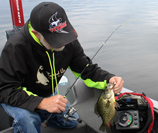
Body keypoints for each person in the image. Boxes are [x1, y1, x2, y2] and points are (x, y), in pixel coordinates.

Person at [0, 2, 124, 133]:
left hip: (47, 93)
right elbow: (5, 90)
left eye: (63, 36)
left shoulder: (68, 40)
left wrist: (110, 79)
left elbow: (86, 69)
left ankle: (41, 115)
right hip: (17, 97)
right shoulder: (16, 48)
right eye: (55, 40)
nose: (62, 43)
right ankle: (29, 120)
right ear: (36, 34)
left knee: (71, 122)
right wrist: (41, 103)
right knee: (28, 119)